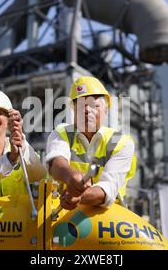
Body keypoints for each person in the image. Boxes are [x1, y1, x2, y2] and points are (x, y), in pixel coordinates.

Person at [45, 76, 137, 210]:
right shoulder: (61, 133)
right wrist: (71, 177)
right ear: (74, 111)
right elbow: (55, 163)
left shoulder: (122, 143)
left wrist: (80, 196)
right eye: (81, 106)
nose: (87, 110)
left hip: (109, 220)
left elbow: (108, 187)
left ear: (105, 111)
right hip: (65, 217)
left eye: (95, 106)